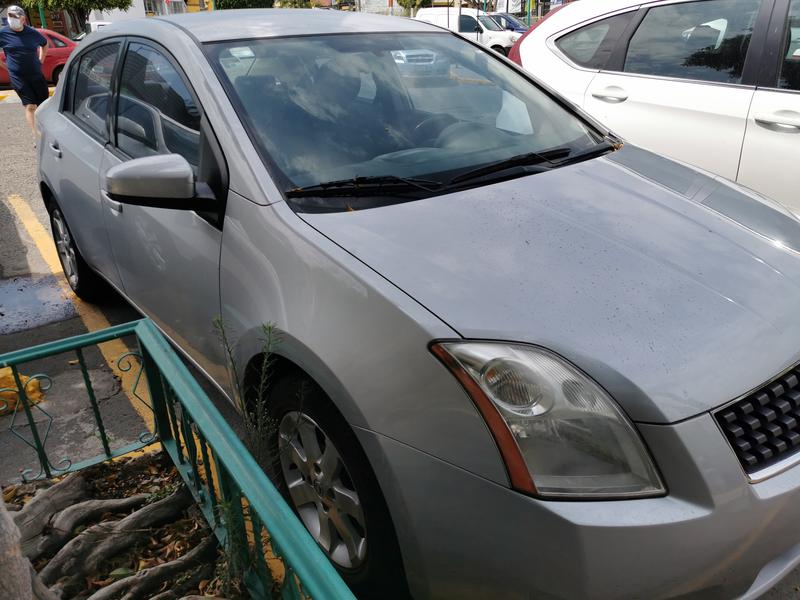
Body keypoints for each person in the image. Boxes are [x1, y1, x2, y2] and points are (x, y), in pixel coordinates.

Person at [0, 6, 48, 134]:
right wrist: (6, 66)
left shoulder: (32, 32)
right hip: (18, 77)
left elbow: (44, 43)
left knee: (43, 105)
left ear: (23, 19)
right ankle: (36, 135)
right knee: (30, 106)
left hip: (36, 74)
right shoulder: (3, 33)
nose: (11, 19)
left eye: (15, 16)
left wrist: (41, 60)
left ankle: (47, 130)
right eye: (10, 16)